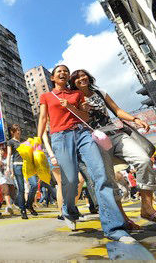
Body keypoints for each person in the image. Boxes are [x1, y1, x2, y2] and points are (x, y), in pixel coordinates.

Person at [37, 65, 135, 243]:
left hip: (83, 133)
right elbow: (43, 119)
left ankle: (114, 228)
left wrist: (72, 107)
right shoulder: (46, 96)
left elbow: (86, 116)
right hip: (60, 137)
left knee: (101, 175)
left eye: (66, 71)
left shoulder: (76, 94)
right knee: (71, 180)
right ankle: (68, 209)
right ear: (52, 78)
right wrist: (38, 140)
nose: (63, 73)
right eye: (59, 71)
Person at [70, 69, 154, 227]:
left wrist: (135, 119)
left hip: (115, 134)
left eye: (84, 75)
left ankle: (147, 208)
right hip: (95, 140)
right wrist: (81, 109)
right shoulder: (73, 99)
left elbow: (117, 110)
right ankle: (124, 219)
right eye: (77, 77)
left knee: (143, 160)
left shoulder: (100, 92)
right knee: (109, 180)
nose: (82, 78)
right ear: (73, 83)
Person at [5, 124, 38, 219]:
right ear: (12, 132)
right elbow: (9, 155)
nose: (19, 132)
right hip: (17, 166)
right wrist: (8, 167)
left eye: (19, 130)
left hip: (27, 166)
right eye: (16, 130)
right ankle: (23, 209)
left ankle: (29, 204)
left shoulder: (24, 142)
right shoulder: (10, 142)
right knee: (21, 189)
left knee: (34, 184)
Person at [0, 148, 16, 215]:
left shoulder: (8, 158)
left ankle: (9, 208)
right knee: (6, 191)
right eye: (0, 151)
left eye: (3, 150)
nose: (2, 152)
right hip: (2, 178)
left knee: (13, 194)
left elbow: (11, 166)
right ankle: (9, 205)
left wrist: (12, 173)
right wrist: (0, 156)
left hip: (10, 178)